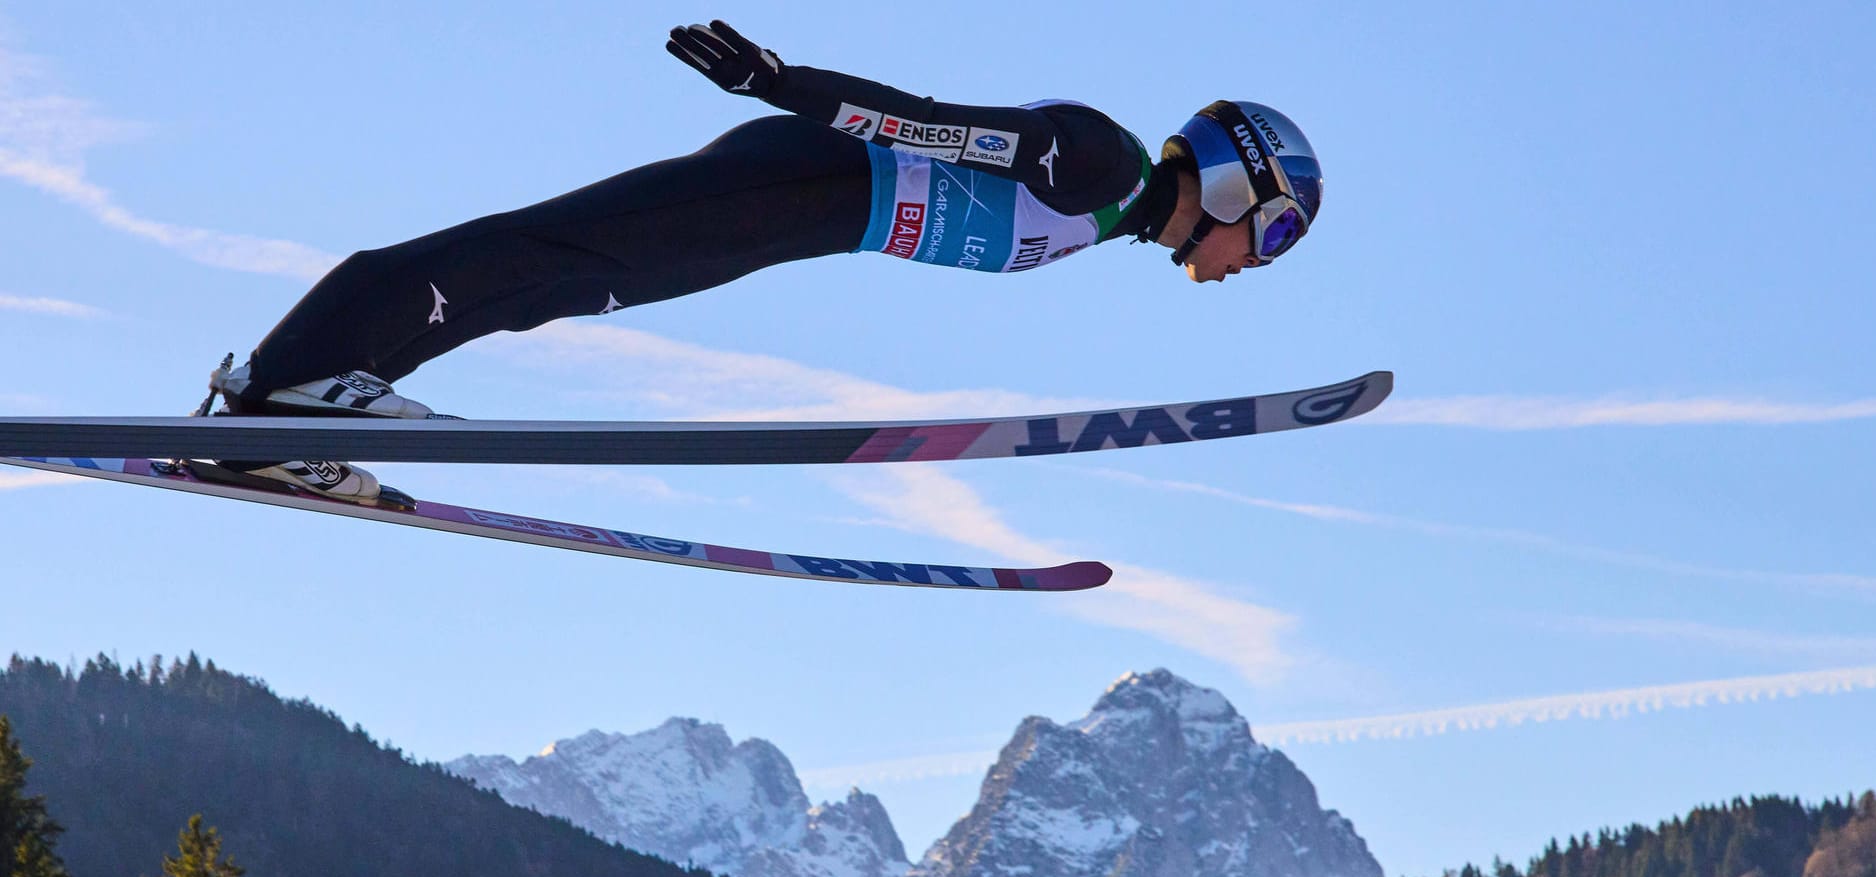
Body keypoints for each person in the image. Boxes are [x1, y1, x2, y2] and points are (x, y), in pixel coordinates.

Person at [211, 20, 1324, 504]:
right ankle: (285, 381)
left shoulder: (1109, 214)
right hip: (795, 181)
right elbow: (930, 126)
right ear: (1232, 181)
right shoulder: (1107, 166)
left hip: (791, 221)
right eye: (1270, 232)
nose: (1254, 261)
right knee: (537, 253)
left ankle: (308, 413)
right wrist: (778, 83)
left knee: (548, 284)